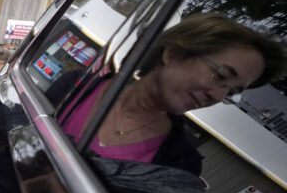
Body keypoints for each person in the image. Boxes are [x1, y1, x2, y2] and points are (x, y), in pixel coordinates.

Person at [59, 13, 286, 175]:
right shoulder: (76, 87)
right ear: (174, 54)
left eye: (232, 91)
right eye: (220, 75)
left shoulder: (180, 165)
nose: (218, 97)